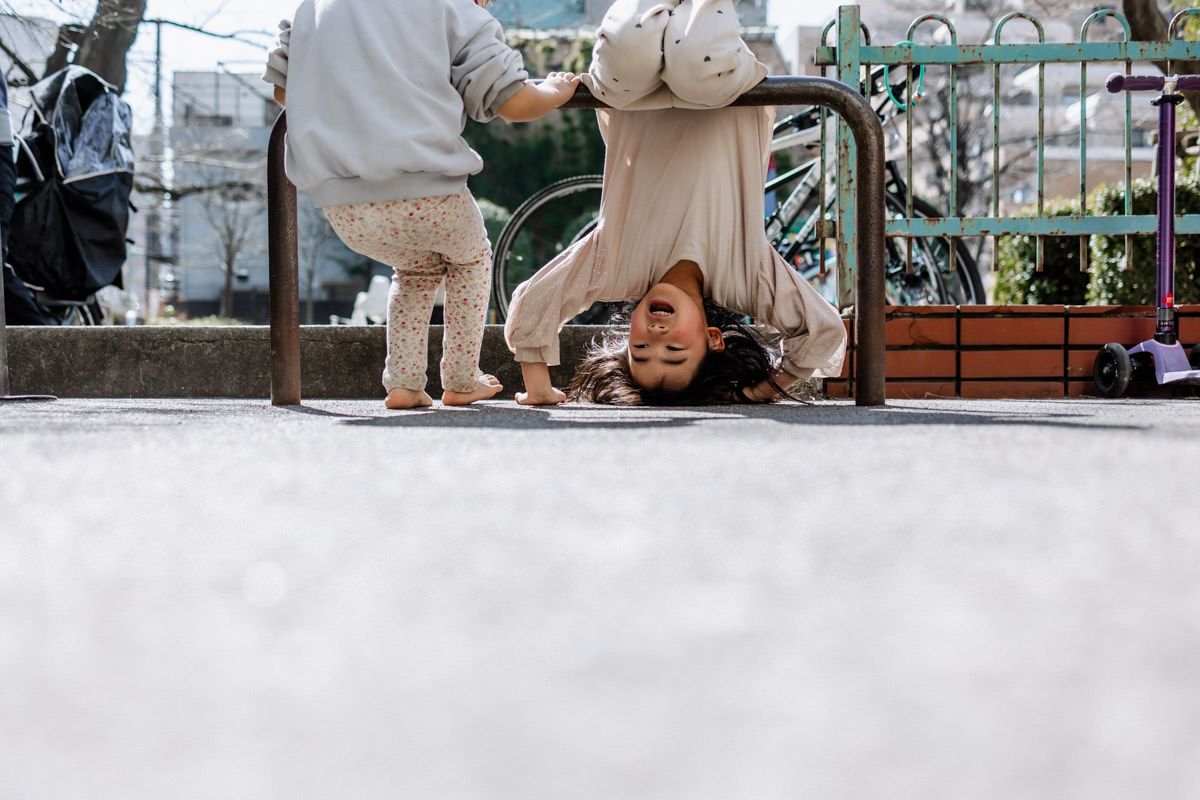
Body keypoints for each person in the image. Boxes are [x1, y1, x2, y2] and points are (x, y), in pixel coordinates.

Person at [504, 0, 846, 406]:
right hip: (717, 88)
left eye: (640, 351)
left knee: (629, 48)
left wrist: (539, 386)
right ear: (712, 338)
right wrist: (756, 393)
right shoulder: (746, 275)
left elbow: (532, 307)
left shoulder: (614, 265)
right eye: (674, 352)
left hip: (631, 95)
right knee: (693, 62)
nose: (655, 337)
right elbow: (823, 331)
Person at [262, 0, 579, 408]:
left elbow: (284, 90)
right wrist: (555, 89)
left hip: (341, 205)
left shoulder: (314, 7)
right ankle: (462, 378)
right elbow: (514, 102)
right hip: (427, 189)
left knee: (415, 270)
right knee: (471, 259)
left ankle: (405, 384)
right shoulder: (453, 8)